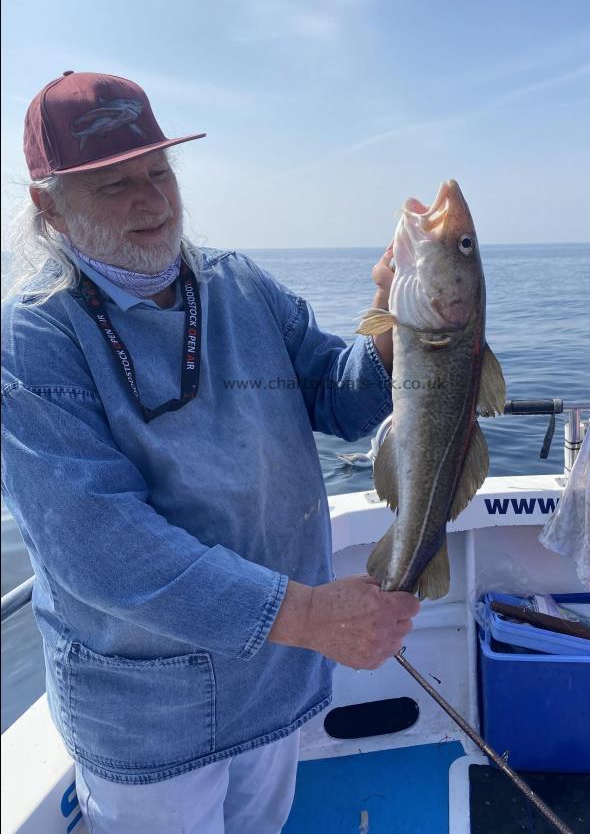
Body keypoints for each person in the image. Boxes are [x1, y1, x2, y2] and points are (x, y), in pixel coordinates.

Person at [1, 71, 420, 833]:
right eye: (113, 183)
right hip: (149, 712)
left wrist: (402, 324)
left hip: (272, 676)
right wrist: (310, 617)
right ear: (48, 204)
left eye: (159, 171)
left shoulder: (239, 284)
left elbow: (340, 394)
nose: (152, 200)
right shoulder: (34, 335)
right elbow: (98, 547)